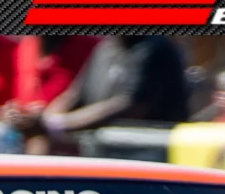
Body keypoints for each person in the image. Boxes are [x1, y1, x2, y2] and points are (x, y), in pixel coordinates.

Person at [39, 36, 190, 139]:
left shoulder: (157, 48)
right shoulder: (105, 48)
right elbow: (75, 94)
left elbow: (131, 105)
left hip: (149, 152)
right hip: (102, 148)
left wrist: (61, 124)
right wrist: (48, 119)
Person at [0, 36, 100, 152]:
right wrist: (15, 112)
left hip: (69, 142)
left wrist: (48, 118)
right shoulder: (27, 45)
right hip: (23, 140)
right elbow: (20, 98)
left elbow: (77, 95)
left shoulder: (89, 47)